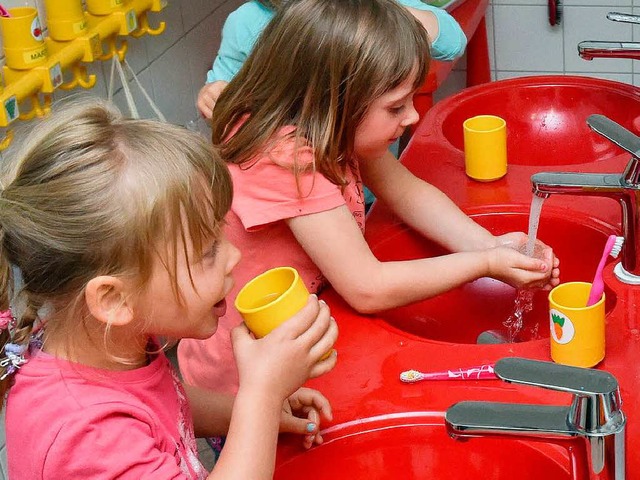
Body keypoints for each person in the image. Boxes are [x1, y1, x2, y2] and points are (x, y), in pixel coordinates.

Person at [178, 0, 560, 396]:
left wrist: (489, 243)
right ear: (333, 100)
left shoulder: (330, 126)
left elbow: (405, 191)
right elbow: (367, 286)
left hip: (297, 342)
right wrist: (484, 262)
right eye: (395, 106)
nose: (412, 117)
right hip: (244, 380)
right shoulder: (285, 159)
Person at [0, 100, 338, 479]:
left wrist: (259, 411)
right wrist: (260, 396)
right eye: (207, 251)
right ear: (114, 299)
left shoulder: (112, 343)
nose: (234, 257)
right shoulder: (89, 436)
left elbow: (165, 404)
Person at [196, 0, 468, 119]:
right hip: (292, 181)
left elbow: (451, 42)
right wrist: (213, 97)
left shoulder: (377, 5)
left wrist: (372, 9)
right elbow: (224, 98)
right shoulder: (247, 22)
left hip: (367, 181)